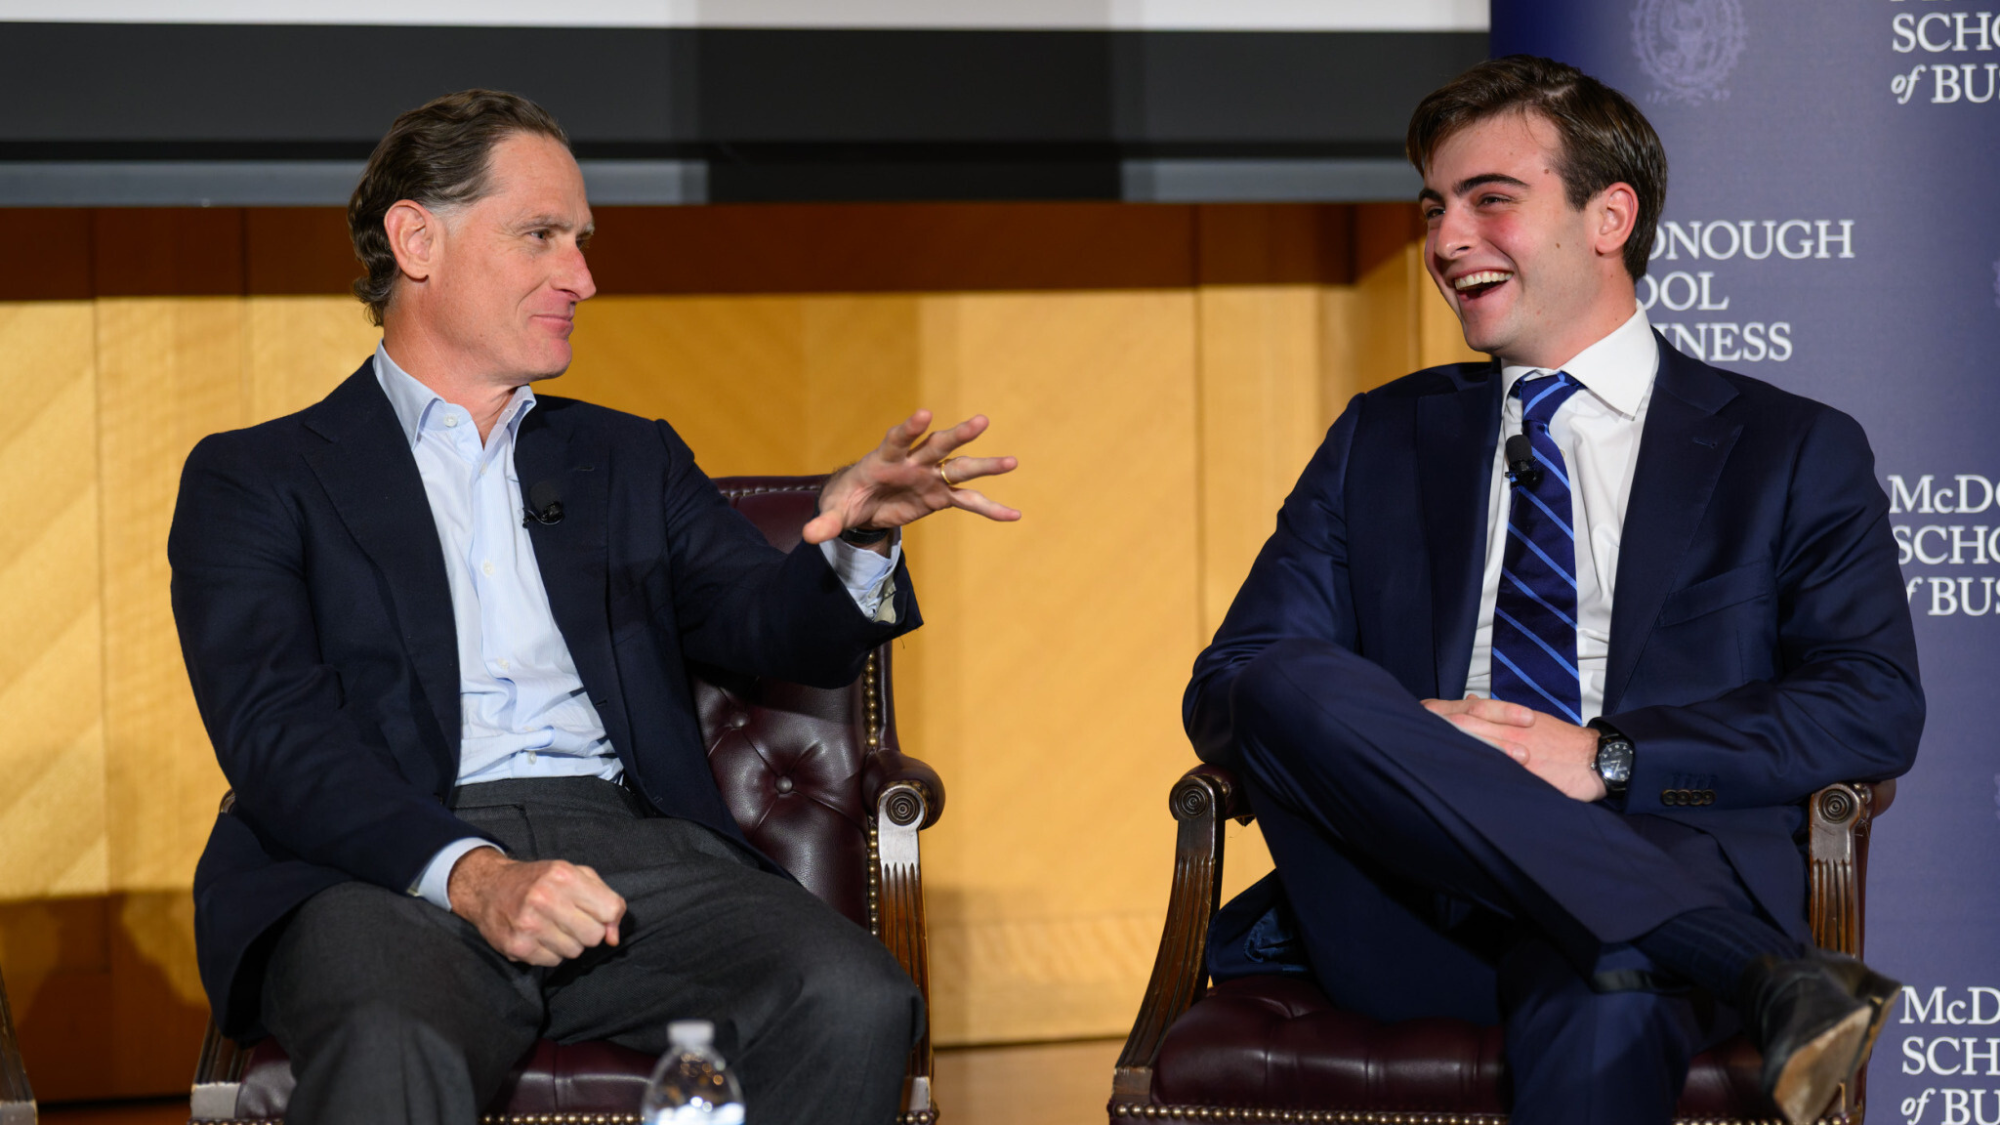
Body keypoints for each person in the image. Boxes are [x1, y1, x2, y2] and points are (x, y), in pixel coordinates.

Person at [169, 89, 1018, 1125]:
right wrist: (473, 875)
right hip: (375, 862)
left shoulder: (627, 457)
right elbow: (274, 735)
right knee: (395, 1042)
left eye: (580, 241)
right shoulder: (257, 478)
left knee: (852, 996)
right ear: (415, 238)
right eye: (541, 237)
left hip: (631, 849)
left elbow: (772, 631)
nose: (582, 277)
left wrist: (857, 540)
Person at [1187, 56, 1919, 1125]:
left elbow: (1868, 703)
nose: (1443, 241)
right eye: (1434, 208)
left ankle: (1682, 938)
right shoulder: (1380, 438)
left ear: (1607, 216)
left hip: (1652, 852)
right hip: (1410, 904)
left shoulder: (1786, 448)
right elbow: (1232, 687)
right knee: (1284, 676)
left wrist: (1604, 754)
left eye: (1490, 201)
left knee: (1609, 974)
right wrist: (1410, 740)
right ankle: (1757, 968)